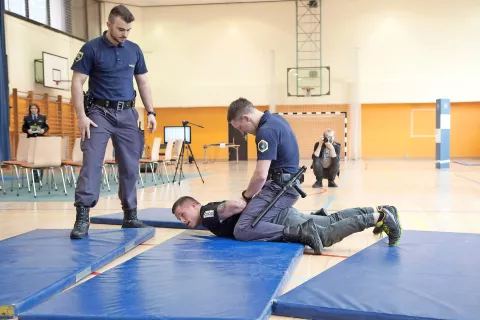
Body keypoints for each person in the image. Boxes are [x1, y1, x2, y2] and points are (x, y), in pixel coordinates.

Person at [69, 5, 157, 239]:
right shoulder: (91, 48)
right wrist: (81, 116)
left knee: (130, 165)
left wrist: (151, 112)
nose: (125, 34)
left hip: (128, 114)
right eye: (120, 29)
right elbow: (77, 82)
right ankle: (82, 217)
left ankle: (130, 215)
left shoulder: (134, 50)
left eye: (128, 30)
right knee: (92, 163)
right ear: (108, 25)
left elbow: (143, 82)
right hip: (99, 113)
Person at [227, 98, 322, 252]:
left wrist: (245, 197)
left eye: (240, 127)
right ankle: (317, 219)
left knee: (242, 229)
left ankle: (302, 232)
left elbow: (261, 174)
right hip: (287, 183)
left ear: (246, 118)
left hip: (281, 188)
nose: (242, 132)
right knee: (258, 221)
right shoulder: (277, 119)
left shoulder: (265, 131)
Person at [171, 196, 402, 253]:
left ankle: (378, 219)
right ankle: (379, 210)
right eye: (179, 219)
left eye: (182, 214)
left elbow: (235, 204)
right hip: (279, 214)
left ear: (194, 206)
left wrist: (251, 209)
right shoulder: (209, 215)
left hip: (275, 219)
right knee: (330, 220)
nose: (183, 221)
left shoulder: (208, 213)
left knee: (326, 236)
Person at [22, 103, 49, 182]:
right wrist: (28, 131)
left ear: (38, 109)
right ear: (30, 110)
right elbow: (23, 128)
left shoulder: (43, 117)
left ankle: (40, 176)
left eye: (35, 108)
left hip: (40, 139)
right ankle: (35, 177)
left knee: (40, 157)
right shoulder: (26, 118)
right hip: (31, 139)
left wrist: (43, 130)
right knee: (33, 158)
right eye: (32, 108)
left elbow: (46, 126)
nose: (33, 110)